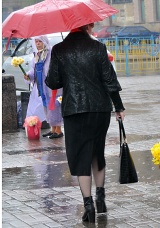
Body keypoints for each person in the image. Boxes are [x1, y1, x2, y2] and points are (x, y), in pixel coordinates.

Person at [45, 24, 125, 223]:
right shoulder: (98, 48)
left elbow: (53, 82)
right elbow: (109, 79)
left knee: (81, 156)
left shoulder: (59, 50)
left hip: (74, 110)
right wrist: (118, 107)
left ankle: (88, 206)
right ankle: (101, 199)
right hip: (99, 109)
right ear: (87, 26)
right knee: (97, 152)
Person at [24, 35, 63, 139]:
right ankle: (52, 129)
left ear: (44, 42)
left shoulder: (51, 53)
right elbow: (34, 70)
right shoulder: (37, 56)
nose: (38, 44)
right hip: (42, 86)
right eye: (36, 42)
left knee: (54, 106)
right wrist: (28, 75)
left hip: (51, 85)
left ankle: (58, 130)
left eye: (40, 41)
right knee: (47, 106)